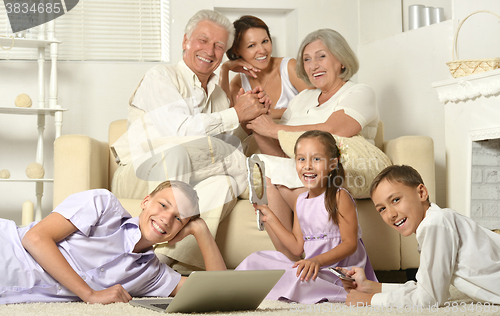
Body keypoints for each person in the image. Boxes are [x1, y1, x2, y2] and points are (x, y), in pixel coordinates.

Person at [111, 10, 270, 272]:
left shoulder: (218, 95)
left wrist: (247, 120)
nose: (210, 50)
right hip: (139, 174)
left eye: (219, 46)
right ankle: (253, 181)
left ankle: (162, 262)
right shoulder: (160, 77)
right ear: (186, 41)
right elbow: (180, 130)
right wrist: (235, 113)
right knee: (179, 151)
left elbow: (219, 149)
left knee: (225, 181)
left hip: (191, 177)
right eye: (202, 40)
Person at [246, 29, 379, 261]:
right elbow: (281, 153)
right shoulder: (301, 99)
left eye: (321, 56)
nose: (313, 65)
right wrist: (257, 120)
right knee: (264, 166)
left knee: (292, 168)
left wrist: (273, 128)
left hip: (340, 170)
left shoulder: (359, 91)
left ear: (340, 60)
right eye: (307, 59)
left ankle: (313, 259)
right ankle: (291, 262)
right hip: (305, 170)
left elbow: (335, 130)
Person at [0, 181, 226, 305]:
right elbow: (35, 238)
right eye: (164, 205)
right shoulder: (103, 205)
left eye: (179, 218)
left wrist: (201, 231)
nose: (167, 218)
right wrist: (89, 294)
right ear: (146, 201)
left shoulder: (152, 275)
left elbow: (219, 292)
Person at [235, 131, 377, 303]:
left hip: (339, 273)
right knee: (255, 260)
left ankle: (330, 291)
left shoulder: (340, 197)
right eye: (301, 159)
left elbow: (350, 244)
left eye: (316, 159)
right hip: (313, 269)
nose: (307, 166)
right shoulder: (301, 201)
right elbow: (296, 248)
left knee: (296, 280)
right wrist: (270, 218)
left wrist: (317, 261)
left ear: (332, 164)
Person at [340, 165, 500, 307]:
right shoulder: (436, 222)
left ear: (421, 193)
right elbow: (426, 288)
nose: (390, 214)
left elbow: (429, 298)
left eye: (395, 200)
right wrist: (371, 287)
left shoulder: (435, 223)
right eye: (381, 209)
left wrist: (370, 300)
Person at [219, 15, 310, 120]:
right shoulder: (238, 84)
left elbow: (317, 104)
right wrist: (224, 69)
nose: (262, 50)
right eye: (251, 45)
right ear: (237, 50)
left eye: (265, 41)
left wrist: (263, 113)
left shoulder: (289, 67)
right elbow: (227, 120)